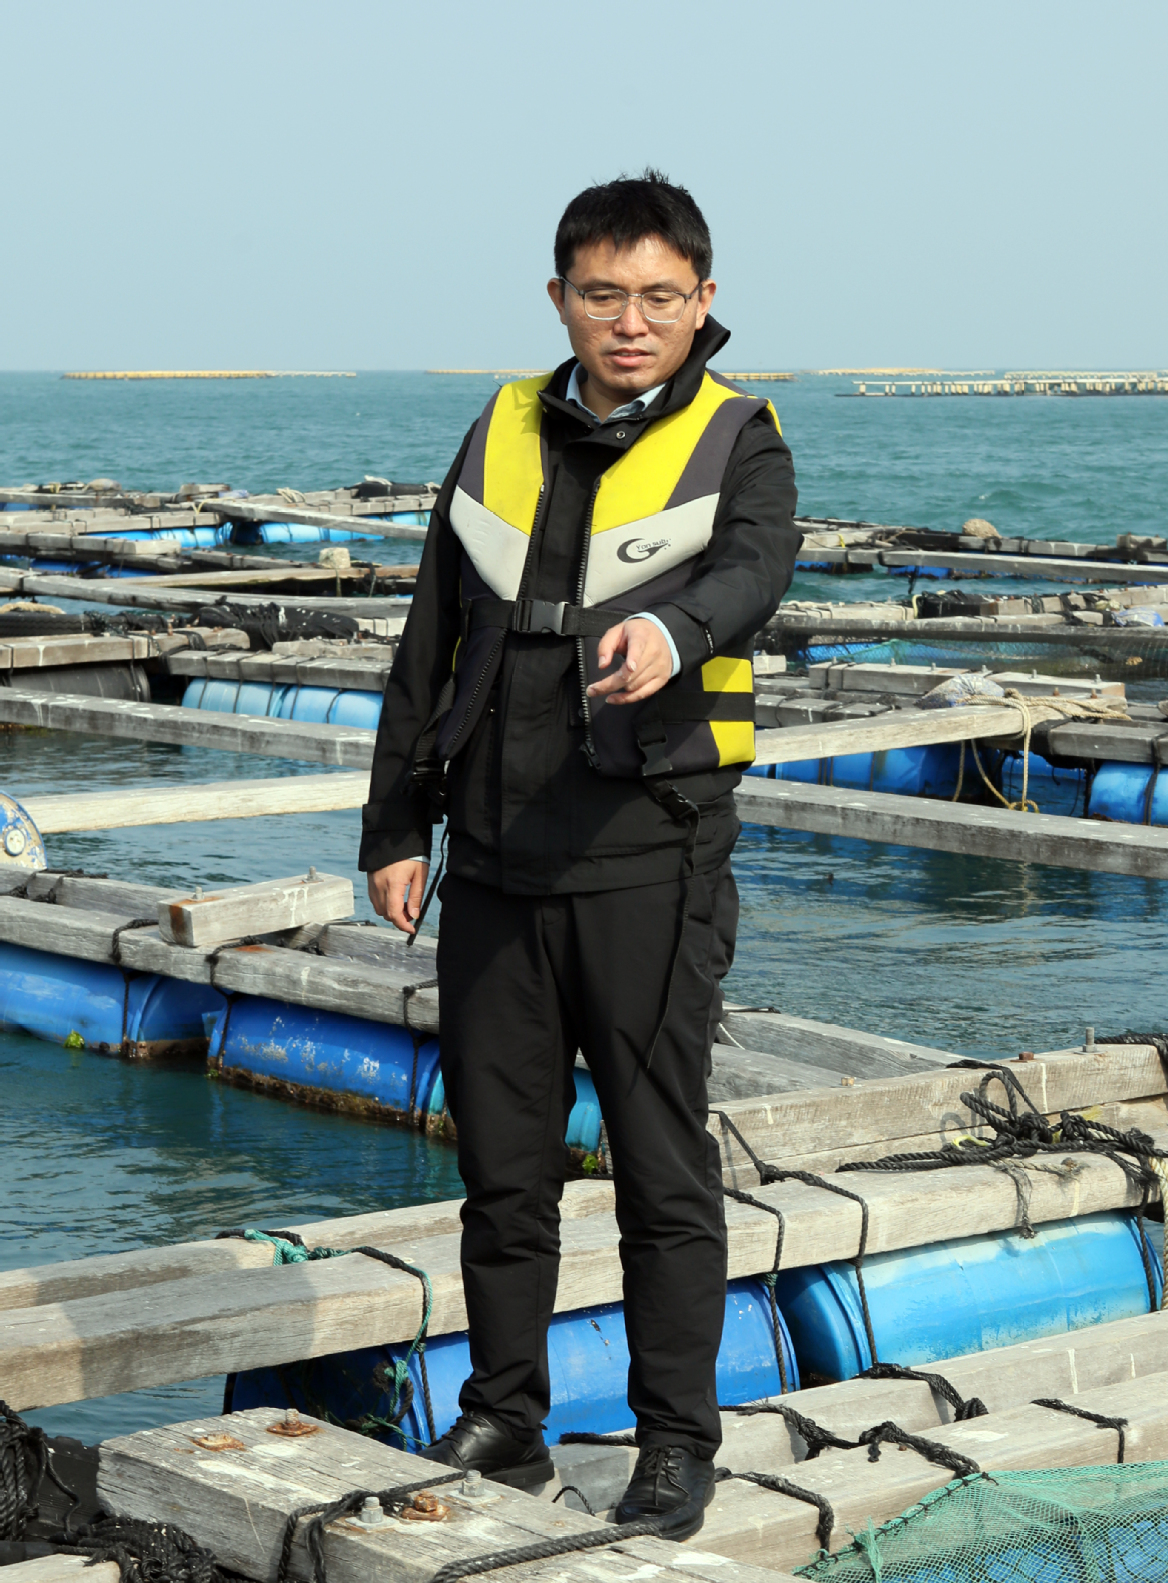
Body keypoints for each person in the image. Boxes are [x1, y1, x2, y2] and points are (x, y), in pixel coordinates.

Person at [360, 170, 798, 1540]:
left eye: (659, 298)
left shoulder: (746, 440)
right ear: (561, 299)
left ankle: (677, 1441)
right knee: (503, 1165)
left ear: (703, 302)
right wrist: (395, 824)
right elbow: (429, 637)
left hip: (648, 861)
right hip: (491, 863)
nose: (630, 322)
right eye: (603, 296)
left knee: (663, 1168)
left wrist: (676, 634)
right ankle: (506, 1412)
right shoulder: (496, 430)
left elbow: (755, 570)